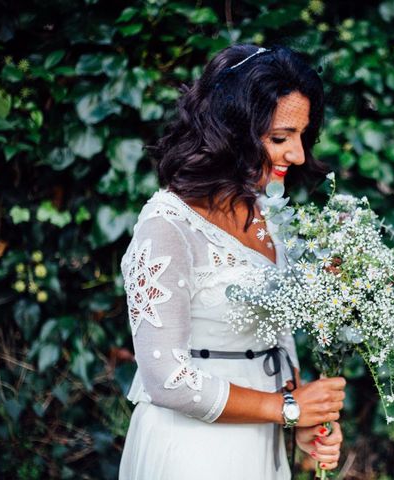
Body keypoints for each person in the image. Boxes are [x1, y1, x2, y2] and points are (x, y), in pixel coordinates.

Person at [118, 44, 346, 480]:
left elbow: (278, 334)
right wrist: (287, 409)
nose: (297, 155)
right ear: (232, 131)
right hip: (193, 450)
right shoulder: (167, 225)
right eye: (281, 138)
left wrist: (302, 421)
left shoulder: (267, 210)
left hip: (262, 440)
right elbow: (165, 377)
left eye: (302, 136)